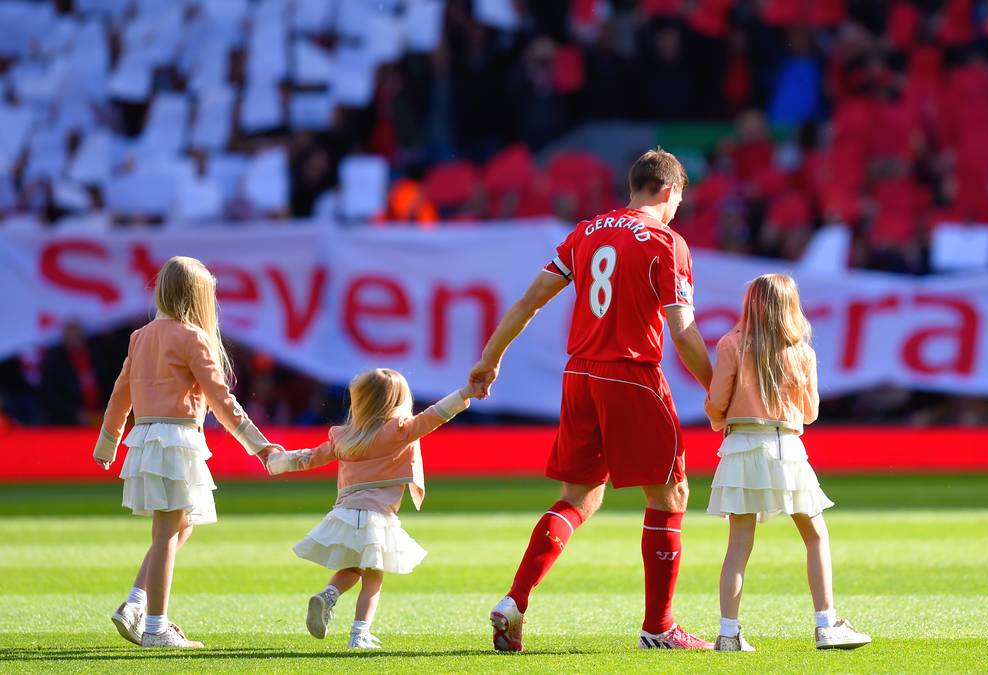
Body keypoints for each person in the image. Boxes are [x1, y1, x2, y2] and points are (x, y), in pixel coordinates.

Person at [468, 148, 715, 651]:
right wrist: (720, 390)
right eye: (679, 201)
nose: (677, 211)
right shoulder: (667, 242)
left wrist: (489, 359)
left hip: (579, 374)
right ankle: (660, 628)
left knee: (578, 497)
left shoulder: (587, 231)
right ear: (669, 191)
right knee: (670, 495)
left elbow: (528, 301)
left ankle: (514, 601)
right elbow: (684, 332)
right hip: (631, 373)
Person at [93, 256, 281, 649]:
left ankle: (135, 604)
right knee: (167, 532)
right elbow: (221, 400)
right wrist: (259, 446)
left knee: (180, 525)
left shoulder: (140, 336)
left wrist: (108, 440)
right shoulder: (192, 337)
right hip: (176, 440)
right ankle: (157, 627)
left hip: (145, 441)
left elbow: (119, 394)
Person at [703, 274, 871, 652]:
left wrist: (721, 415)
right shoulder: (802, 352)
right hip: (785, 446)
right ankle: (826, 624)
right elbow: (809, 413)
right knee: (814, 535)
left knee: (739, 544)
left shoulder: (732, 344)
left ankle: (728, 633)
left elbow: (716, 402)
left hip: (740, 446)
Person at [265, 369, 473, 649]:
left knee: (352, 568)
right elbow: (435, 414)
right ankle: (359, 633)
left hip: (345, 515)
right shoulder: (400, 431)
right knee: (374, 577)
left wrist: (277, 461)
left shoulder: (345, 436)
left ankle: (329, 594)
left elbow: (311, 457)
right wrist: (466, 393)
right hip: (378, 518)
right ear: (399, 400)